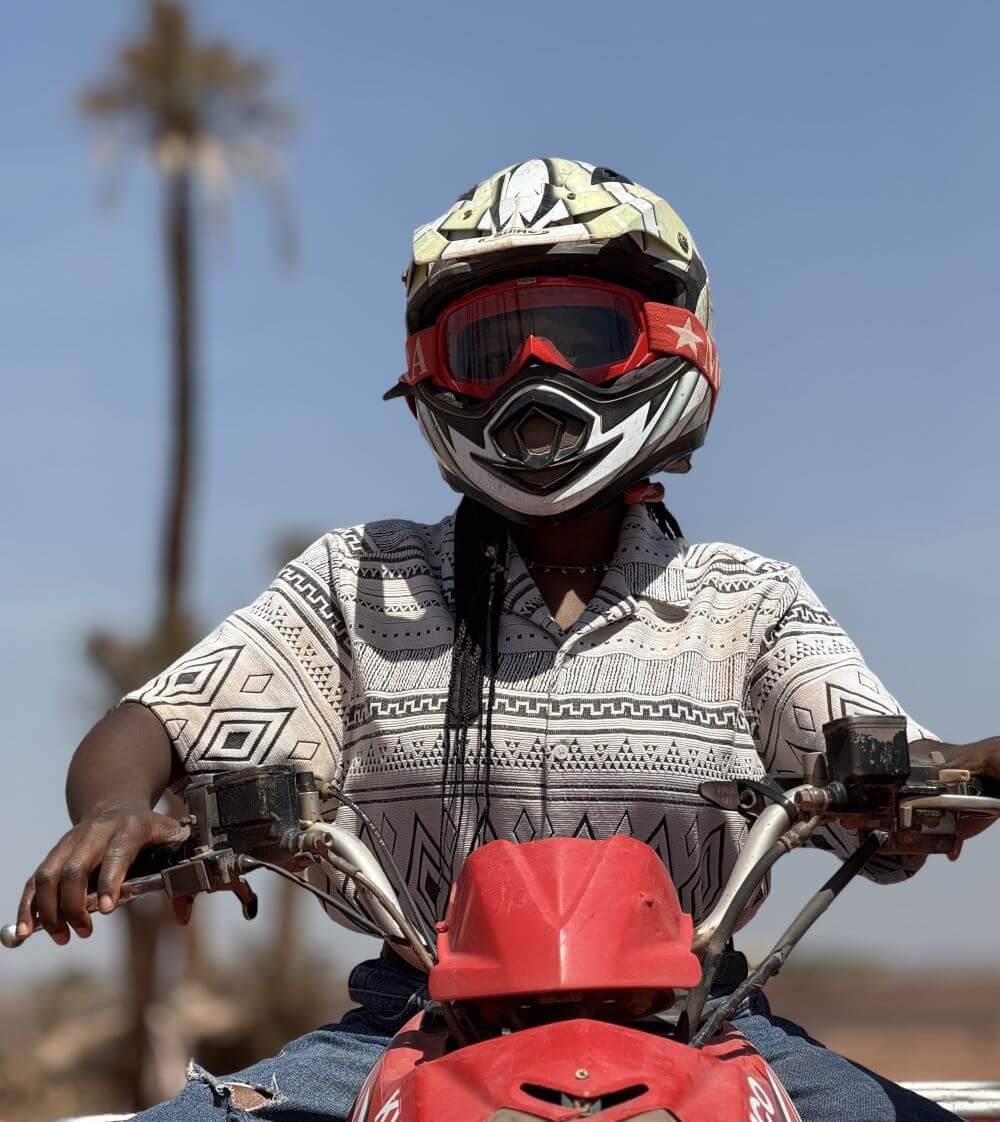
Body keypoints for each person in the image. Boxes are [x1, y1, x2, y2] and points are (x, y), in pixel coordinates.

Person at [17, 158, 1000, 1122]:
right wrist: (111, 810)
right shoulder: (359, 581)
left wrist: (942, 780)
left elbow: (892, 760)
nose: (536, 376)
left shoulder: (744, 600)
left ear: (669, 340)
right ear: (429, 376)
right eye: (492, 349)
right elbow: (152, 722)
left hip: (704, 1019)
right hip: (408, 1024)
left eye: (581, 336)